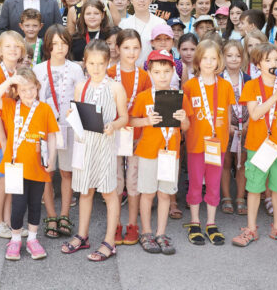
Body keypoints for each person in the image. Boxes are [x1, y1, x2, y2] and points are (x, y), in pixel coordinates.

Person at [60, 40, 128, 262]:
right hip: (85, 144)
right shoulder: (82, 86)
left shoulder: (116, 87)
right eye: (91, 63)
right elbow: (78, 112)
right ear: (85, 63)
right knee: (85, 191)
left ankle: (109, 240)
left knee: (108, 192)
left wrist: (114, 125)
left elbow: (124, 117)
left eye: (101, 63)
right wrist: (73, 113)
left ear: (108, 62)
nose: (96, 68)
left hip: (105, 145)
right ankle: (82, 235)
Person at [233, 43, 277, 248]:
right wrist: (276, 96)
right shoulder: (252, 86)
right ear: (258, 64)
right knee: (254, 188)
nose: (274, 63)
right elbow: (254, 114)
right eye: (268, 60)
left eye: (276, 59)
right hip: (257, 144)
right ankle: (251, 228)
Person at [0, 68, 58, 261]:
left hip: (38, 165)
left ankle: (33, 239)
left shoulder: (44, 109)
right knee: (18, 205)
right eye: (23, 89)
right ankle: (15, 239)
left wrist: (52, 159)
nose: (28, 93)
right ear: (16, 91)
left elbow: (51, 136)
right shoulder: (11, 106)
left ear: (37, 87)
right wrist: (10, 80)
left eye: (32, 89)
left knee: (36, 204)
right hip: (15, 165)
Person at [129, 50, 189, 255]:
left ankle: (161, 232)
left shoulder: (180, 97)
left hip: (170, 153)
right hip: (147, 152)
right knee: (147, 193)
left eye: (166, 71)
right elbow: (131, 120)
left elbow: (187, 127)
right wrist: (146, 121)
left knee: (164, 194)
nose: (162, 76)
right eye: (157, 71)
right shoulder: (144, 97)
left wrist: (183, 119)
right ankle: (146, 232)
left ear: (173, 71)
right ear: (150, 73)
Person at [182, 39, 236, 246]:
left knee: (213, 183)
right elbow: (186, 118)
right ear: (198, 60)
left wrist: (224, 137)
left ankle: (211, 222)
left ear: (219, 61)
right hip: (196, 144)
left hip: (217, 145)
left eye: (213, 58)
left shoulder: (225, 85)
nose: (209, 62)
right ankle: (195, 221)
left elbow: (229, 114)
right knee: (195, 182)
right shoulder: (190, 86)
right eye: (205, 58)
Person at [33, 25, 85, 238]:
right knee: (47, 171)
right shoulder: (38, 70)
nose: (59, 48)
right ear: (47, 46)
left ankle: (64, 214)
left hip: (69, 127)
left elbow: (81, 98)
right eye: (54, 44)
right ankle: (51, 214)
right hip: (46, 129)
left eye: (63, 43)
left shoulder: (75, 69)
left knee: (66, 172)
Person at [107, 29, 152, 246]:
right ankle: (115, 224)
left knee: (133, 182)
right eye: (126, 47)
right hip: (114, 135)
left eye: (135, 48)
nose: (131, 52)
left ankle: (133, 224)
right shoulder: (108, 73)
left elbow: (147, 108)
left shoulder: (144, 76)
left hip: (136, 136)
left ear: (141, 49)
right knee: (116, 181)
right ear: (117, 48)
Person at [0, 31, 26, 239]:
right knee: (3, 179)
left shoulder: (16, 70)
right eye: (8, 46)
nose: (13, 50)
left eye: (17, 47)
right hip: (1, 135)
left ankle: (9, 222)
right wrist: (3, 141)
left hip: (14, 134)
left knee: (13, 180)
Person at [219, 40, 251, 216]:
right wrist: (226, 126)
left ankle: (240, 197)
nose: (233, 59)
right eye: (229, 55)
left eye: (237, 55)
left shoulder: (247, 79)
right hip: (225, 127)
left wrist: (246, 125)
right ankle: (226, 197)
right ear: (222, 57)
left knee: (241, 163)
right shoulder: (218, 79)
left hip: (244, 128)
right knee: (226, 162)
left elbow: (253, 102)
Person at [119, 0, 166, 68]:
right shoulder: (123, 24)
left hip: (153, 71)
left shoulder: (160, 23)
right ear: (131, 0)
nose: (141, 0)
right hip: (129, 70)